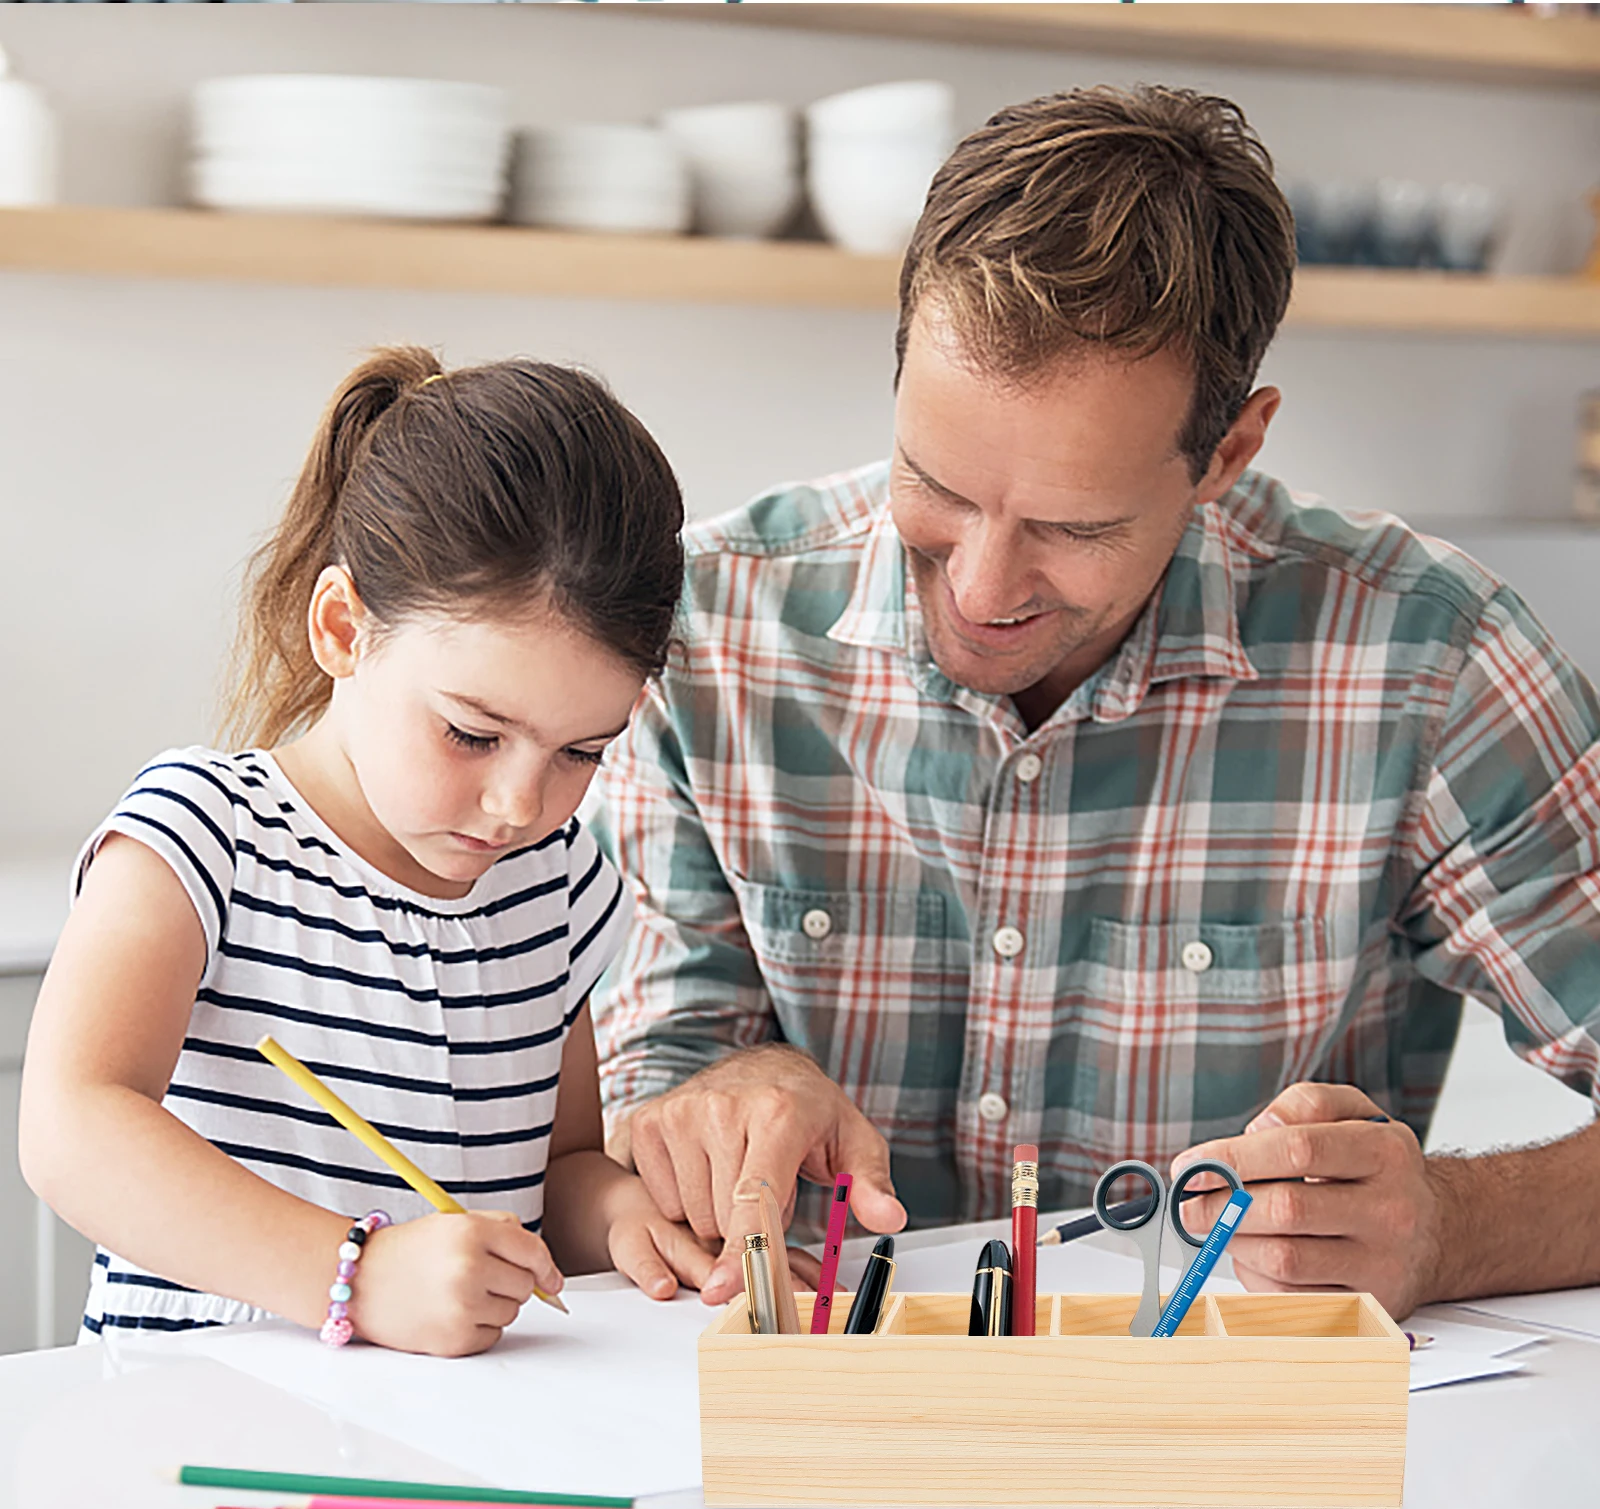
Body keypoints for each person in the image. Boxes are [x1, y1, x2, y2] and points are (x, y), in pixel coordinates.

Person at [592, 86, 1600, 1320]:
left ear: (1227, 453)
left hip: (1212, 1468)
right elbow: (644, 1086)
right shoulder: (705, 633)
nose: (978, 584)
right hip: (812, 1424)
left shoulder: (1430, 664)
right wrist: (718, 1094)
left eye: (1074, 526)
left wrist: (1450, 1226)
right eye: (936, 485)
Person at [20, 347, 713, 1354]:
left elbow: (555, 1164)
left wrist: (621, 1218)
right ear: (344, 627)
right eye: (472, 733)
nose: (520, 802)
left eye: (581, 750)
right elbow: (72, 1126)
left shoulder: (554, 890)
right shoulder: (201, 840)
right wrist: (354, 1273)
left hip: (442, 1447)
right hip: (192, 1429)